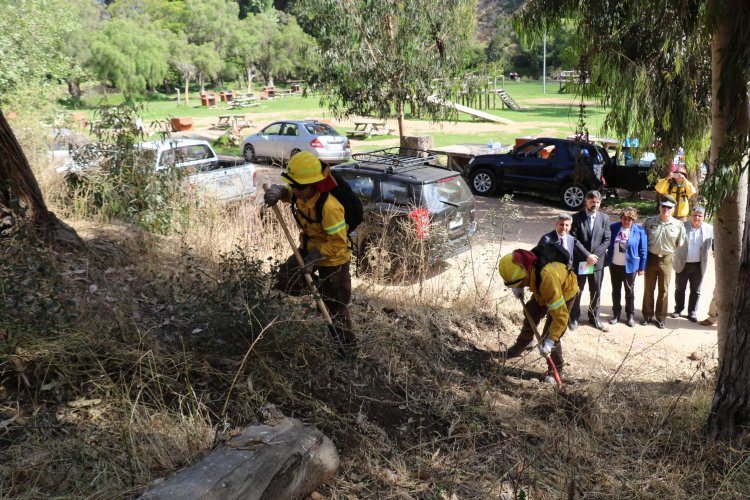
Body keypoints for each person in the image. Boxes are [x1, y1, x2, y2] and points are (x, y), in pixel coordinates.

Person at [263, 152, 358, 354]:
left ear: (314, 184)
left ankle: (348, 349)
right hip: (308, 249)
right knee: (286, 278)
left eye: (299, 187)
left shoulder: (330, 207)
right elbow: (292, 192)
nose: (295, 190)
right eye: (293, 185)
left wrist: (314, 259)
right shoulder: (302, 193)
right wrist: (280, 192)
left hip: (334, 259)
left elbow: (338, 243)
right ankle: (319, 292)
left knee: (337, 308)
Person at [499, 249, 579, 383]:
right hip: (541, 289)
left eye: (520, 283)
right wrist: (518, 286)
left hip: (563, 293)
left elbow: (560, 317)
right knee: (531, 312)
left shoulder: (547, 278)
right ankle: (522, 345)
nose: (519, 285)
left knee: (549, 333)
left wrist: (550, 341)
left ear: (526, 273)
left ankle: (555, 371)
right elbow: (530, 281)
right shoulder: (525, 263)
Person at [641, 194, 687, 328]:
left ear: (673, 209)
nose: (666, 209)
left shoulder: (678, 225)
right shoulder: (649, 222)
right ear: (659, 207)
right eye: (663, 206)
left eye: (669, 207)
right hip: (651, 258)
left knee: (664, 290)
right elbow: (643, 240)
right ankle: (647, 315)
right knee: (649, 288)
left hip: (667, 259)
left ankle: (661, 317)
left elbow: (679, 243)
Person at [569, 190, 611, 332]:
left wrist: (594, 257)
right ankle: (574, 317)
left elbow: (607, 240)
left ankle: (594, 317)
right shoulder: (576, 217)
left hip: (597, 262)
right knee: (578, 290)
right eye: (592, 201)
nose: (595, 204)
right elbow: (573, 239)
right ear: (586, 201)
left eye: (598, 202)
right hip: (582, 261)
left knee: (596, 290)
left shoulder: (604, 218)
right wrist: (587, 255)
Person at [604, 207, 648, 327]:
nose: (626, 221)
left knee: (629, 291)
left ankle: (630, 315)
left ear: (633, 219)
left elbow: (643, 250)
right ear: (621, 218)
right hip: (614, 264)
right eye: (624, 218)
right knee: (616, 291)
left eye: (630, 219)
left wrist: (642, 267)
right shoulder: (614, 227)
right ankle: (616, 314)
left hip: (630, 266)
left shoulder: (639, 230)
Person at [671, 206, 714, 322]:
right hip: (683, 263)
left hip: (699, 265)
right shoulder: (682, 226)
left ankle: (692, 312)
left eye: (700, 216)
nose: (697, 218)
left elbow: (714, 245)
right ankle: (678, 309)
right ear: (691, 215)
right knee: (680, 289)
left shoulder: (709, 229)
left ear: (703, 217)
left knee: (696, 290)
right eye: (695, 215)